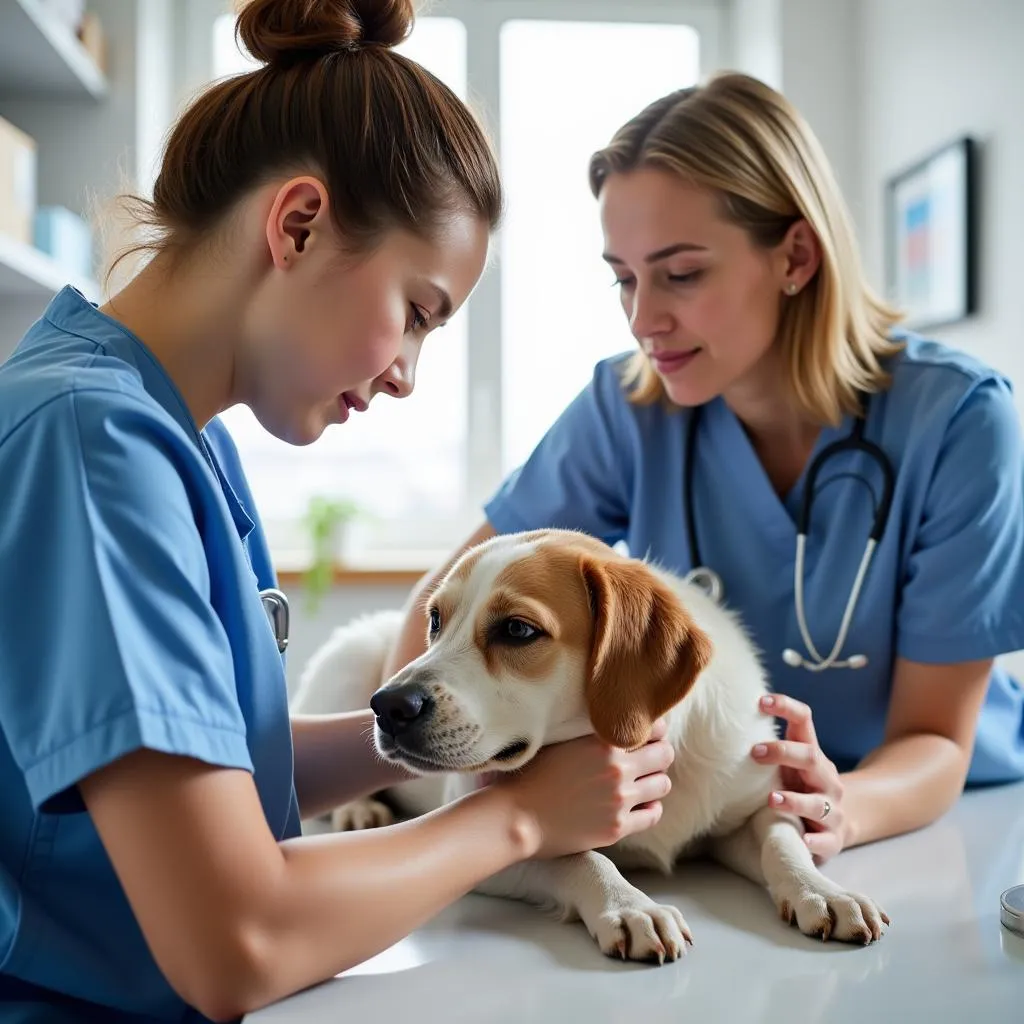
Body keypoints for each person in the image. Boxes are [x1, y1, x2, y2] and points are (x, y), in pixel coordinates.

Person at [0, 1, 677, 1021]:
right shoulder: (93, 447)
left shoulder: (172, 438)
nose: (407, 374)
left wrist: (462, 727)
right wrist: (519, 821)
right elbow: (238, 938)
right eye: (416, 313)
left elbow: (224, 774)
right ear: (299, 223)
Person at [386, 72, 1024, 866]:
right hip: (706, 830)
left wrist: (824, 809)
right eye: (624, 277)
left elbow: (933, 740)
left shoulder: (959, 423)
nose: (643, 318)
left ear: (795, 255)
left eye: (681, 273)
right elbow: (442, 608)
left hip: (933, 828)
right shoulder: (626, 408)